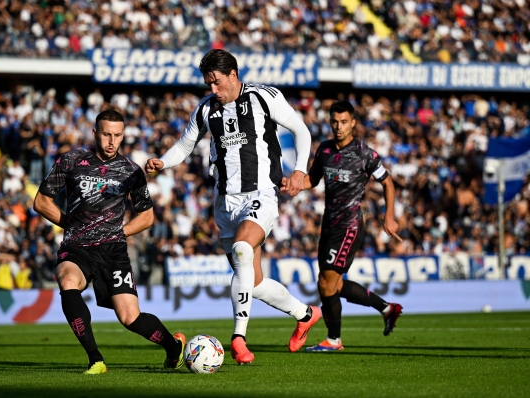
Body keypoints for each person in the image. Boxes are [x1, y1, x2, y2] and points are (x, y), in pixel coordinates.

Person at [146, 49, 321, 365]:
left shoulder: (263, 97)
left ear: (233, 75)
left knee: (242, 249)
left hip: (261, 193)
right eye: (208, 83)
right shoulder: (206, 109)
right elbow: (185, 145)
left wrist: (300, 170)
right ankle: (305, 313)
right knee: (251, 281)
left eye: (216, 82)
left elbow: (301, 130)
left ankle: (238, 339)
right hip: (224, 203)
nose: (213, 90)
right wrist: (163, 161)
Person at [34, 110, 185, 374]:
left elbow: (147, 217)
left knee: (129, 317)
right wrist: (70, 225)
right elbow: (41, 202)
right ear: (95, 133)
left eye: (117, 135)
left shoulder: (131, 171)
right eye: (106, 134)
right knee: (68, 282)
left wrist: (119, 233)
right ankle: (96, 359)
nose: (111, 140)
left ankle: (174, 348)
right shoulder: (71, 161)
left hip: (113, 251)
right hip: (76, 248)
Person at [286, 100, 403, 352]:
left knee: (327, 284)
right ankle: (387, 308)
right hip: (328, 225)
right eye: (334, 122)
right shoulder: (325, 150)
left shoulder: (364, 153)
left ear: (353, 123)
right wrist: (295, 184)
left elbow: (388, 182)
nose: (338, 127)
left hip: (349, 226)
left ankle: (334, 340)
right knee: (331, 284)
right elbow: (313, 180)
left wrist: (389, 216)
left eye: (344, 122)